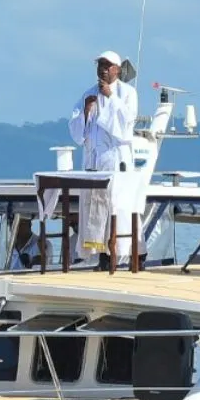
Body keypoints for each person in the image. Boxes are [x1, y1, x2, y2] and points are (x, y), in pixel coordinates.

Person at [66, 50, 139, 263]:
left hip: (115, 161)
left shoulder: (127, 93)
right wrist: (87, 111)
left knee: (115, 209)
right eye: (100, 65)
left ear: (117, 69)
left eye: (107, 65)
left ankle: (116, 255)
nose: (103, 69)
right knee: (92, 212)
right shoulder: (88, 93)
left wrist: (110, 97)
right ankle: (97, 256)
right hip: (93, 161)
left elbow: (126, 124)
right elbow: (77, 132)